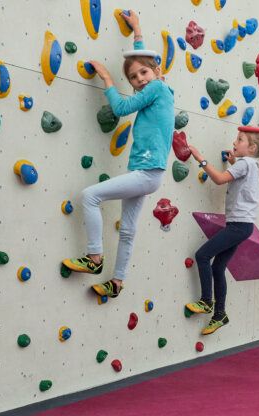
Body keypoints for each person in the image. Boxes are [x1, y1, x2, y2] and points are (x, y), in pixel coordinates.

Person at [62, 10, 174, 301]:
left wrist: (108, 79)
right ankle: (117, 282)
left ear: (157, 72)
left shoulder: (158, 87)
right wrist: (137, 29)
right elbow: (143, 60)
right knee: (127, 231)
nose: (138, 79)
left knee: (89, 196)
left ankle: (94, 257)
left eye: (143, 74)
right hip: (148, 172)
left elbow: (122, 109)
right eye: (133, 77)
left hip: (147, 173)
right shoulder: (156, 86)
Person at [183, 126, 259, 335]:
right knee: (217, 268)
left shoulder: (245, 163)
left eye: (239, 140)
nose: (234, 142)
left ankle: (206, 301)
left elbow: (220, 179)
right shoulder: (251, 164)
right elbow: (238, 178)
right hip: (241, 226)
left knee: (202, 255)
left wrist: (200, 159)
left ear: (251, 148)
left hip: (239, 225)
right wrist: (233, 162)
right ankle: (220, 314)